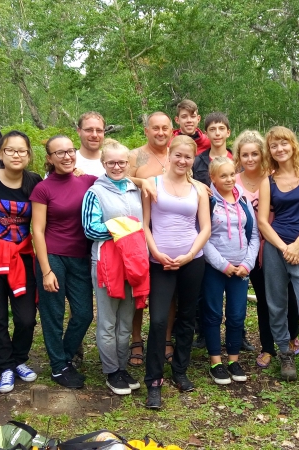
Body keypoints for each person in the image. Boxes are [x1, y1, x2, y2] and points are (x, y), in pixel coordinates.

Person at [143, 135, 210, 409]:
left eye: (188, 157)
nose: (182, 161)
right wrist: (156, 253)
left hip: (191, 261)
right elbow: (144, 224)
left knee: (186, 316)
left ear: (193, 159)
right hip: (160, 262)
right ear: (169, 154)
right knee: (159, 320)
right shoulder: (153, 184)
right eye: (178, 155)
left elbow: (205, 228)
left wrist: (189, 255)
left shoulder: (199, 189)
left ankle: (180, 370)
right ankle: (154, 380)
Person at [257, 126, 299, 385]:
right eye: (274, 145)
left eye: (284, 143)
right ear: (270, 151)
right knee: (276, 305)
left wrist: (297, 244)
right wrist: (285, 248)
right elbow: (263, 221)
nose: (280, 149)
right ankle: (285, 354)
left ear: (293, 144)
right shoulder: (268, 181)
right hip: (276, 248)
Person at [0, 131, 43, 394]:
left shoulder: (35, 182)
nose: (16, 155)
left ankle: (19, 360)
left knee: (26, 318)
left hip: (22, 257)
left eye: (22, 150)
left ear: (29, 155)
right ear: (0, 154)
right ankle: (4, 366)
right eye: (10, 150)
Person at [31, 135, 99, 389]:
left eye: (70, 151)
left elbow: (120, 179)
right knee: (53, 314)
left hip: (80, 257)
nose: (67, 156)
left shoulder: (87, 181)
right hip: (53, 256)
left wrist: (145, 183)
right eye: (60, 153)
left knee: (83, 314)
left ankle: (65, 357)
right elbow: (38, 230)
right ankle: (59, 367)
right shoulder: (43, 188)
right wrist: (46, 271)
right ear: (50, 158)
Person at [81, 139, 146, 396]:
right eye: (111, 163)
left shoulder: (134, 189)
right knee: (108, 320)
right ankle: (111, 371)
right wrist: (125, 228)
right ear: (103, 163)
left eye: (121, 162)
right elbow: (90, 228)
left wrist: (129, 230)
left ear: (128, 163)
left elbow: (143, 223)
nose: (117, 167)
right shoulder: (95, 192)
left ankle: (121, 366)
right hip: (107, 262)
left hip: (133, 262)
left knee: (126, 319)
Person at [232, 130, 299, 368]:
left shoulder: (274, 177)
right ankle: (268, 347)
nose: (250, 159)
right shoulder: (233, 181)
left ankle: (291, 336)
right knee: (264, 298)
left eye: (255, 154)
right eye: (245, 155)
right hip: (249, 248)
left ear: (263, 154)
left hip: (280, 243)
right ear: (238, 157)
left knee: (289, 294)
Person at [202, 156, 259, 385]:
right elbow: (203, 237)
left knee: (237, 315)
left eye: (231, 174)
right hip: (215, 269)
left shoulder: (243, 200)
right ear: (213, 178)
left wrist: (247, 264)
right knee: (213, 314)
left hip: (241, 270)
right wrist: (222, 265)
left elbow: (253, 235)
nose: (228, 179)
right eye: (222, 175)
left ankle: (234, 360)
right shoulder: (208, 202)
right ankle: (215, 361)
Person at [127, 112, 174, 366]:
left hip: (170, 230)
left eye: (165, 128)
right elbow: (118, 178)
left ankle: (166, 338)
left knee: (169, 286)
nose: (160, 132)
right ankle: (136, 338)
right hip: (139, 228)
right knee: (139, 285)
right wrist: (142, 181)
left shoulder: (176, 154)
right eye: (155, 128)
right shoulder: (136, 156)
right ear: (146, 131)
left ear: (172, 130)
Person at [192, 112, 233, 186]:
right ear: (206, 134)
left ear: (228, 133)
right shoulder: (197, 162)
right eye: (212, 129)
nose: (217, 133)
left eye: (221, 128)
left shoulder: (238, 160)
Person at [75, 111, 107, 176]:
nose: (94, 135)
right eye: (89, 130)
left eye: (99, 130)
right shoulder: (68, 162)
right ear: (79, 131)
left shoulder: (114, 162)